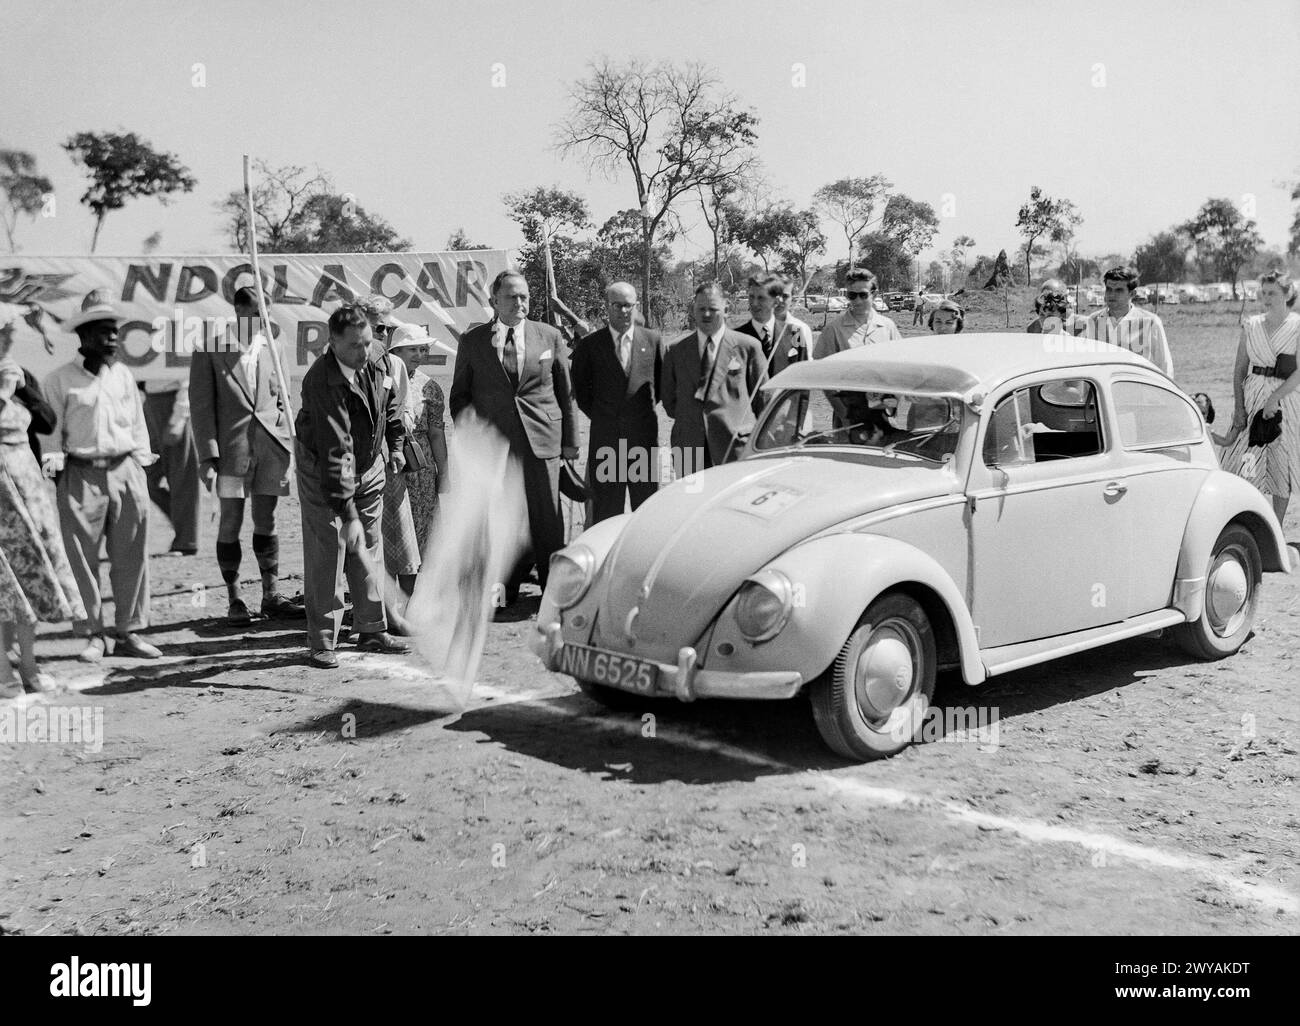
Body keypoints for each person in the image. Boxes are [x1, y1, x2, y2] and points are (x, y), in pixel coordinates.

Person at [41, 293, 160, 661]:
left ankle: (128, 632)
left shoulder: (123, 374)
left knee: (131, 554)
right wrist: (57, 472)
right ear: (84, 335)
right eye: (105, 332)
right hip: (81, 474)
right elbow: (51, 434)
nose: (113, 339)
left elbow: (137, 426)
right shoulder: (59, 379)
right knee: (82, 558)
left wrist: (139, 466)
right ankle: (93, 634)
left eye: (115, 332)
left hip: (126, 471)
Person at [449, 270, 578, 608]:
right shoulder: (473, 341)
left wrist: (570, 443)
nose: (519, 302)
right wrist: (473, 440)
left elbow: (566, 394)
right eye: (511, 296)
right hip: (496, 447)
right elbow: (460, 396)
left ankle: (554, 593)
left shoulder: (549, 336)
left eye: (524, 296)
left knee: (548, 520)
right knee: (499, 521)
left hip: (543, 442)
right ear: (494, 301)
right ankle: (501, 594)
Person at [296, 304, 410, 668]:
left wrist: (394, 444)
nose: (365, 352)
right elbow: (336, 449)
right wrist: (347, 512)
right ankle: (323, 640)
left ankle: (372, 628)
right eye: (355, 347)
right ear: (332, 343)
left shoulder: (376, 355)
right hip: (324, 471)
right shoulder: (321, 381)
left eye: (367, 342)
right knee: (330, 550)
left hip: (370, 461)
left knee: (370, 546)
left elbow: (390, 400)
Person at [189, 284, 303, 623]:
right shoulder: (210, 349)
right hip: (231, 452)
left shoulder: (275, 345)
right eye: (256, 312)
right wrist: (208, 458)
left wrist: (287, 439)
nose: (262, 318)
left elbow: (284, 395)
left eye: (266, 312)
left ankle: (271, 595)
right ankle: (235, 599)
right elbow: (201, 407)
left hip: (271, 448)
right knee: (231, 521)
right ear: (238, 311)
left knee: (266, 519)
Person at [0, 305, 87, 695]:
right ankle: (5, 669)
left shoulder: (18, 374)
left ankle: (30, 667)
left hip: (27, 490)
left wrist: (19, 387)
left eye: (8, 331)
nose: (8, 338)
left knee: (30, 575)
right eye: (3, 332)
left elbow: (47, 420)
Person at [571, 282, 662, 523]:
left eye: (628, 305)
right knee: (607, 512)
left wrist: (636, 415)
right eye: (617, 305)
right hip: (607, 442)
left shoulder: (653, 341)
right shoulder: (590, 346)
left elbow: (660, 387)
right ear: (607, 307)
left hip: (643, 441)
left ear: (636, 306)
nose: (623, 311)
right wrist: (607, 416)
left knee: (647, 511)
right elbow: (581, 393)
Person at [661, 282, 767, 473]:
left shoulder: (748, 347)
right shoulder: (675, 350)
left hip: (735, 447)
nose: (706, 314)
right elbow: (669, 401)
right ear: (693, 310)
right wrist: (692, 420)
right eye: (701, 309)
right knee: (692, 501)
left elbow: (763, 399)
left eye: (713, 309)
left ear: (726, 310)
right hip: (688, 448)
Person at [1220, 269, 1300, 524]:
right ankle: (1252, 524)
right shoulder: (1251, 325)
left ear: (1287, 294)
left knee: (1281, 466)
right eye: (1264, 292)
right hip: (1253, 394)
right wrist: (1239, 407)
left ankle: (1276, 527)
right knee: (1247, 462)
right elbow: (1239, 370)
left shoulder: (1297, 326)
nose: (1267, 298)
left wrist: (1274, 398)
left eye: (1273, 293)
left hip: (1285, 399)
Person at [386, 323, 449, 558]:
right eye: (412, 349)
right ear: (396, 352)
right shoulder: (379, 381)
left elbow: (436, 434)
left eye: (422, 349)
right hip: (387, 464)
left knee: (423, 526)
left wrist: (443, 474)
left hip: (420, 467)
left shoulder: (430, 387)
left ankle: (424, 583)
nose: (419, 355)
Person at [814, 269, 901, 426]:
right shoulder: (834, 329)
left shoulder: (888, 327)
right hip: (848, 412)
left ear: (874, 294)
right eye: (852, 295)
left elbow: (900, 369)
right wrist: (843, 413)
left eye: (863, 295)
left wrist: (893, 403)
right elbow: (823, 375)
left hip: (883, 412)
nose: (857, 301)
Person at [140, 379, 199, 555]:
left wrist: (179, 419)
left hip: (173, 401)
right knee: (145, 473)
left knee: (181, 475)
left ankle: (186, 541)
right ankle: (186, 525)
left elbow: (185, 375)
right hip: (149, 400)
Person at [1081, 266, 1174, 376]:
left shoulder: (1150, 322)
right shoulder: (1093, 320)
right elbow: (1085, 363)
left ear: (1132, 294)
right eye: (1109, 289)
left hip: (1138, 389)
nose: (1112, 294)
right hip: (1103, 390)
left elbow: (1164, 366)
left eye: (1119, 290)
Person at [737, 274, 809, 378]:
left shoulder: (795, 334)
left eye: (761, 298)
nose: (754, 303)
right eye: (751, 297)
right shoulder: (736, 337)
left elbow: (803, 380)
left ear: (776, 300)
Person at [772, 276, 814, 371]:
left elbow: (806, 366)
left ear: (792, 298)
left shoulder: (801, 329)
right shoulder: (757, 327)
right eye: (775, 295)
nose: (780, 300)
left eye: (785, 296)